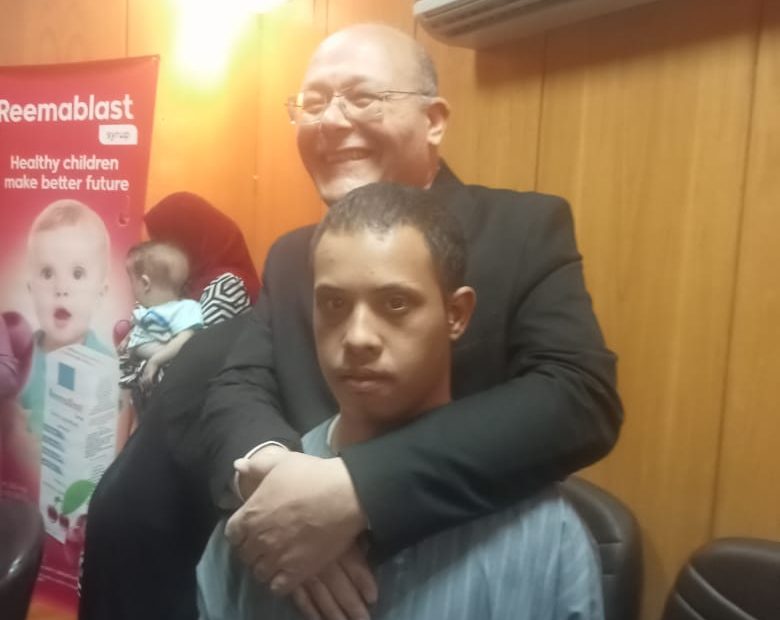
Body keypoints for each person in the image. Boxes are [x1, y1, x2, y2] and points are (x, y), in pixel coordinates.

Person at [195, 22, 622, 620]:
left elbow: (578, 398)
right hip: (290, 582)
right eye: (313, 103)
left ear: (434, 120)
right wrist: (278, 482)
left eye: (361, 97)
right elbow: (238, 388)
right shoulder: (293, 254)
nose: (331, 120)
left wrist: (355, 491)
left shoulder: (523, 230)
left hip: (467, 570)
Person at [79, 193, 261, 620]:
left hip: (186, 455)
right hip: (159, 439)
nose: (164, 249)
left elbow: (189, 368)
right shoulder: (187, 287)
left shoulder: (228, 285)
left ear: (192, 235)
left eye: (168, 237)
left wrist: (147, 353)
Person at [20, 198, 113, 442]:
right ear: (31, 288)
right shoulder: (19, 362)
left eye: (77, 274)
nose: (61, 289)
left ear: (101, 293)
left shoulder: (107, 366)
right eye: (47, 273)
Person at [119, 241, 203, 396]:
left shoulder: (184, 308)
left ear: (145, 283)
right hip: (133, 371)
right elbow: (139, 327)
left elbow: (185, 338)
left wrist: (155, 361)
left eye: (131, 280)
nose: (131, 287)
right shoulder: (145, 308)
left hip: (158, 367)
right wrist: (126, 340)